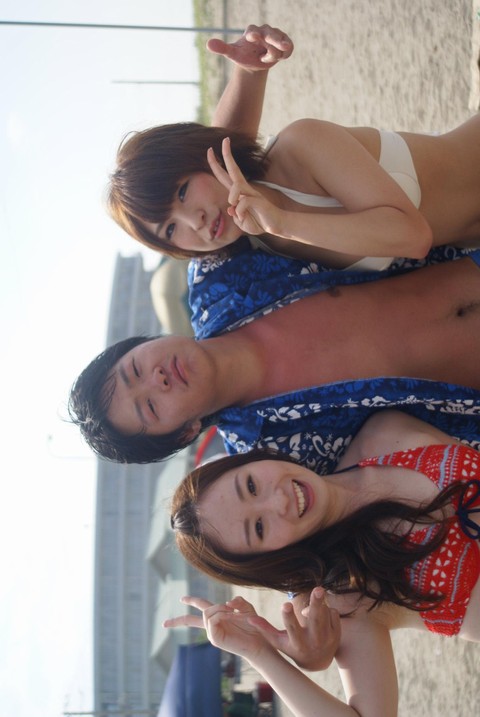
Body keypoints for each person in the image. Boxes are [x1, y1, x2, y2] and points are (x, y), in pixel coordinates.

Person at [166, 411, 480, 716]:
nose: (279, 501)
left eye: (250, 485)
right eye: (259, 527)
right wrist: (260, 654)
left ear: (250, 460)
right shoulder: (350, 595)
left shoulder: (382, 432)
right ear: (266, 560)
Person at [107, 28, 480, 271]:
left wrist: (284, 223)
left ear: (198, 157)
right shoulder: (253, 248)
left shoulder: (301, 146)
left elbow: (412, 236)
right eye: (170, 229)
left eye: (182, 192)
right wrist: (249, 73)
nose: (196, 222)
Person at [68, 248, 480, 467]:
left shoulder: (219, 271)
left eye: (135, 369)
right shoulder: (270, 457)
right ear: (184, 434)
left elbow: (230, 160)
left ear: (142, 343)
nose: (156, 378)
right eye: (151, 407)